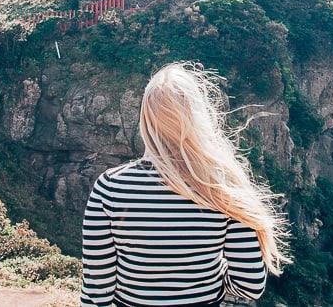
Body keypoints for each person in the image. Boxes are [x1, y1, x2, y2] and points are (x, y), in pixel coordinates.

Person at [79, 63, 290, 306]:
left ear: (146, 120)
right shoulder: (222, 189)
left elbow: (97, 290)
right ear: (199, 119)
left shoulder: (109, 188)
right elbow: (250, 285)